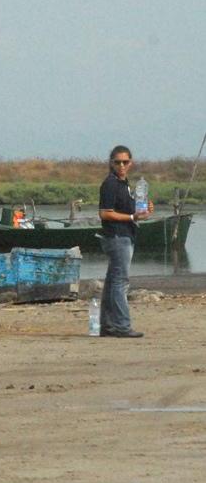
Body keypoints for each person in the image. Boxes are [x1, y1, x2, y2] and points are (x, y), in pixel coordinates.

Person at [97, 145, 150, 338]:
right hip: (117, 237)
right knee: (120, 282)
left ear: (130, 163)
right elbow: (105, 213)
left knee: (112, 282)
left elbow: (130, 210)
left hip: (124, 235)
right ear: (111, 163)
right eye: (117, 162)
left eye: (125, 162)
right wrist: (131, 218)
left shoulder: (124, 184)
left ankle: (107, 326)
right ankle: (122, 326)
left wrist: (142, 212)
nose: (121, 165)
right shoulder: (110, 184)